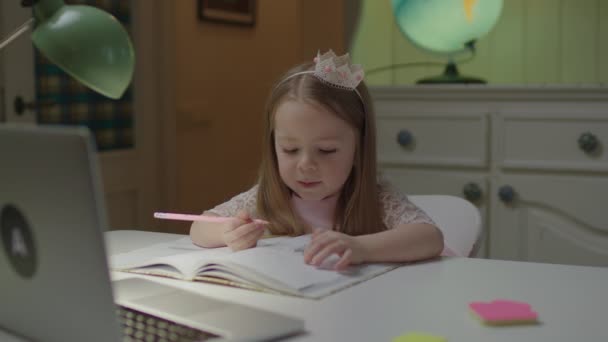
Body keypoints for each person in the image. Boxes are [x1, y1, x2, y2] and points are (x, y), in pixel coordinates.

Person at [190, 50, 444, 270]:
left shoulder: (376, 198)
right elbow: (198, 228)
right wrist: (228, 232)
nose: (306, 165)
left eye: (326, 150)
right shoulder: (268, 198)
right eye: (290, 149)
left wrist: (360, 248)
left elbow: (430, 237)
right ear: (273, 146)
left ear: (359, 149)